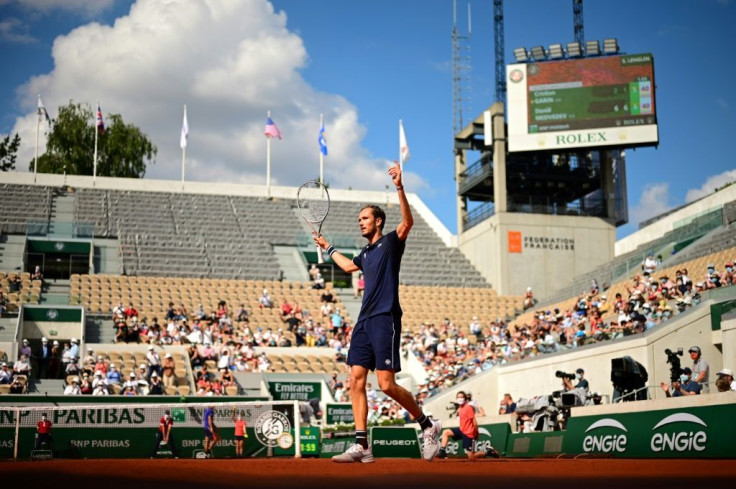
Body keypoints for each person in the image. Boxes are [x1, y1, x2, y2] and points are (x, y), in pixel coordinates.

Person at [314, 162, 441, 463]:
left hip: (385, 317)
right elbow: (347, 266)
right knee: (355, 379)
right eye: (359, 219)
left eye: (365, 218)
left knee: (386, 385)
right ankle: (363, 446)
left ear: (379, 221)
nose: (360, 222)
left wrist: (399, 186)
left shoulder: (390, 243)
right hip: (364, 321)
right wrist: (328, 246)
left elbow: (408, 222)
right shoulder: (366, 252)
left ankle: (427, 424)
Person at [437, 391, 500, 460]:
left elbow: (474, 421)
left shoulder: (468, 407)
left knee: (471, 457)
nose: (460, 399)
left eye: (461, 397)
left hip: (469, 434)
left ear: (465, 398)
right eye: (458, 397)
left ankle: (489, 452)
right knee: (446, 432)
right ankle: (442, 451)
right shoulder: (460, 408)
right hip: (461, 430)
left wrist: (476, 433)